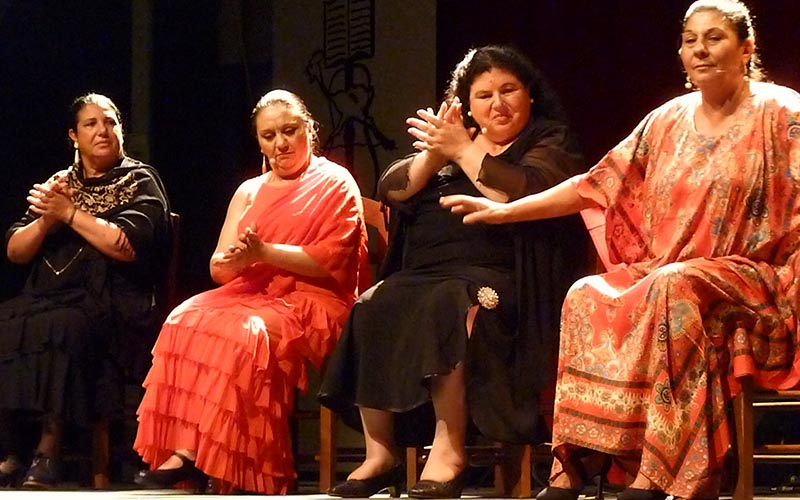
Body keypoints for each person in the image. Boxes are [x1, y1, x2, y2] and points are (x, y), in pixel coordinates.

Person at [441, 2, 800, 499]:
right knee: (586, 293)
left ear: (746, 49)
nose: (700, 49)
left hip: (753, 280)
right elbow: (595, 184)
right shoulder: (667, 120)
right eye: (690, 39)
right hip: (667, 275)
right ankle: (575, 462)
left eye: (714, 38)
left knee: (673, 288)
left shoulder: (782, 113)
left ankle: (660, 470)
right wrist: (506, 211)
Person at [319, 45, 590, 499]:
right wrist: (434, 155)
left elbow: (520, 191)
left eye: (509, 90)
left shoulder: (548, 140)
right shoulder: (451, 144)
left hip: (505, 281)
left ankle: (449, 451)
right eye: (484, 95)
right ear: (467, 104)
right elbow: (393, 189)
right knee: (372, 304)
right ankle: (380, 453)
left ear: (530, 96)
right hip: (426, 275)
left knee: (453, 303)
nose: (497, 104)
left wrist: (463, 150)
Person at [132, 89, 370, 494]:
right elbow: (218, 267)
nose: (280, 144)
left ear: (309, 131)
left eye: (289, 131)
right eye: (268, 136)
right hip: (253, 291)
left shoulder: (334, 182)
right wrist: (238, 262)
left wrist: (265, 253)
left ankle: (235, 466)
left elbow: (331, 262)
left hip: (314, 298)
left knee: (246, 334)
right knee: (184, 318)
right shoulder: (249, 190)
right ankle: (190, 454)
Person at [0, 93, 171, 489]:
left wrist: (71, 214)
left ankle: (49, 451)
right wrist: (47, 221)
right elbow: (14, 251)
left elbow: (125, 246)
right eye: (92, 124)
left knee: (64, 326)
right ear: (73, 136)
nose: (103, 131)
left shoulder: (139, 180)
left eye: (110, 122)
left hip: (114, 302)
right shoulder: (60, 185)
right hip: (49, 296)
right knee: (7, 322)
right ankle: (12, 450)